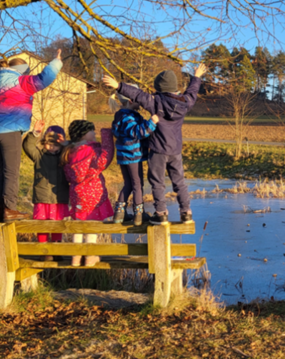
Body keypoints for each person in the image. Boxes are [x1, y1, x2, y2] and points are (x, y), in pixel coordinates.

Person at [101, 64, 207, 224]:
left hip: (158, 150)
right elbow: (192, 93)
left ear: (159, 88)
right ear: (174, 87)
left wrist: (119, 86)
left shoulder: (155, 101)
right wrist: (196, 77)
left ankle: (161, 214)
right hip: (175, 151)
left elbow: (138, 95)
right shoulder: (185, 102)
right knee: (179, 182)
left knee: (157, 182)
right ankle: (186, 213)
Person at [0, 50, 62, 222]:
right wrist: (56, 61)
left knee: (4, 170)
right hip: (10, 131)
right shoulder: (22, 81)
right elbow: (44, 78)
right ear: (23, 70)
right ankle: (9, 209)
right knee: (12, 172)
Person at [61, 120, 114, 267]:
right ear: (84, 134)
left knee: (78, 224)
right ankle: (90, 257)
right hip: (93, 194)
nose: (95, 133)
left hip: (77, 194)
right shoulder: (91, 150)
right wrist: (107, 135)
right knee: (92, 223)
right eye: (92, 131)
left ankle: (76, 257)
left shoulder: (70, 151)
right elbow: (104, 160)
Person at [108, 88, 159, 226]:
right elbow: (138, 132)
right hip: (132, 155)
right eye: (138, 99)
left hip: (123, 156)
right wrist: (152, 122)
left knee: (128, 184)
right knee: (138, 184)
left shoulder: (122, 116)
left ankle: (119, 213)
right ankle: (139, 214)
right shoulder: (128, 117)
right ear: (131, 100)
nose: (140, 102)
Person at [22, 120, 69, 261]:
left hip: (58, 198)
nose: (52, 147)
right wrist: (35, 133)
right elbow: (28, 146)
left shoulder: (65, 157)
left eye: (56, 145)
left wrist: (67, 144)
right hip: (42, 197)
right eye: (49, 144)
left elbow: (75, 151)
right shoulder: (39, 156)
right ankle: (44, 251)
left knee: (57, 225)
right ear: (44, 143)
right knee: (41, 224)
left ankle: (56, 250)